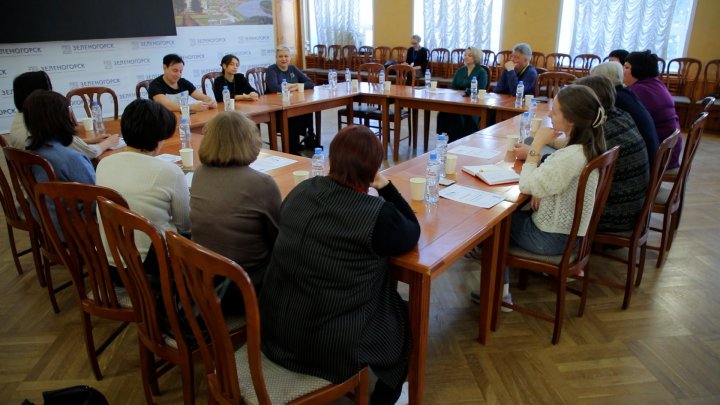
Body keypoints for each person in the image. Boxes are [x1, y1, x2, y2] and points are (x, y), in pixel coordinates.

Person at [259, 126, 421, 405]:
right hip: (327, 348)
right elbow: (411, 230)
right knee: (403, 320)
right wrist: (385, 187)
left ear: (332, 159)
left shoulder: (302, 190)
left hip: (273, 327)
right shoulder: (377, 217)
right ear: (373, 170)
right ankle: (385, 398)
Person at [491, 85, 607, 307]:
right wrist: (542, 185)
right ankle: (498, 280)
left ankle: (498, 294)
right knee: (510, 215)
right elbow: (556, 161)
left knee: (495, 224)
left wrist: (536, 145)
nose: (550, 115)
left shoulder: (569, 157)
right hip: (569, 234)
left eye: (555, 111)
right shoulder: (588, 144)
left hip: (550, 239)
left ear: (571, 119)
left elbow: (526, 185)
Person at [96, 98, 190, 278]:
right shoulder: (169, 171)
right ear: (158, 137)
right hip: (151, 268)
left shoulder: (104, 163)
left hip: (112, 263)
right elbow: (184, 224)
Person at [191, 111, 280, 290]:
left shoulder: (199, 173)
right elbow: (279, 239)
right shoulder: (261, 183)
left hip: (205, 275)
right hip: (246, 283)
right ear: (249, 141)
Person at [575, 75, 649, 233]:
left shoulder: (600, 131)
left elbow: (572, 167)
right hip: (634, 205)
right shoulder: (621, 116)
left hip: (614, 215)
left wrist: (537, 154)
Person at [22, 90, 96, 234]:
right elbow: (96, 201)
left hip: (48, 226)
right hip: (79, 233)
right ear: (61, 118)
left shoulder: (29, 150)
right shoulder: (71, 159)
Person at [5, 71, 119, 158]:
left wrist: (89, 141)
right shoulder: (44, 125)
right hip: (59, 179)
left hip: (37, 175)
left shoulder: (19, 120)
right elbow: (90, 153)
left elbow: (61, 143)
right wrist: (108, 142)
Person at [591, 61, 659, 163]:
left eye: (592, 80)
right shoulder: (626, 93)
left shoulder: (615, 99)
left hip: (640, 160)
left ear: (602, 81)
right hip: (646, 156)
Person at [624, 50, 682, 169]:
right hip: (669, 149)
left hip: (660, 154)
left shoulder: (639, 91)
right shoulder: (655, 84)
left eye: (626, 67)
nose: (622, 71)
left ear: (638, 70)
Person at [265, 45, 317, 154]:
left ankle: (308, 141)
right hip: (277, 107)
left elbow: (310, 83)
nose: (283, 59)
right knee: (292, 116)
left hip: (293, 103)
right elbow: (273, 88)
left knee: (308, 110)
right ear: (276, 58)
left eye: (286, 56)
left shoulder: (292, 68)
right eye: (280, 56)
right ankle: (291, 148)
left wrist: (295, 86)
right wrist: (293, 86)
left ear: (290, 57)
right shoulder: (271, 69)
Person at [436, 47, 489, 141]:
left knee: (459, 115)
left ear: (476, 57)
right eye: (465, 55)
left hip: (472, 104)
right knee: (444, 110)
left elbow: (480, 90)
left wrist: (468, 93)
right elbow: (453, 87)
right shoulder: (461, 70)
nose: (466, 57)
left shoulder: (481, 72)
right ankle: (450, 138)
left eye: (469, 55)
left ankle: (458, 139)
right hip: (457, 101)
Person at [148, 53, 217, 113]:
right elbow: (167, 106)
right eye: (175, 71)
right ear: (165, 67)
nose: (178, 75)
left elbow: (202, 97)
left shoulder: (183, 82)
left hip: (184, 119)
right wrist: (192, 107)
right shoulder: (155, 85)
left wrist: (210, 101)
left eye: (180, 71)